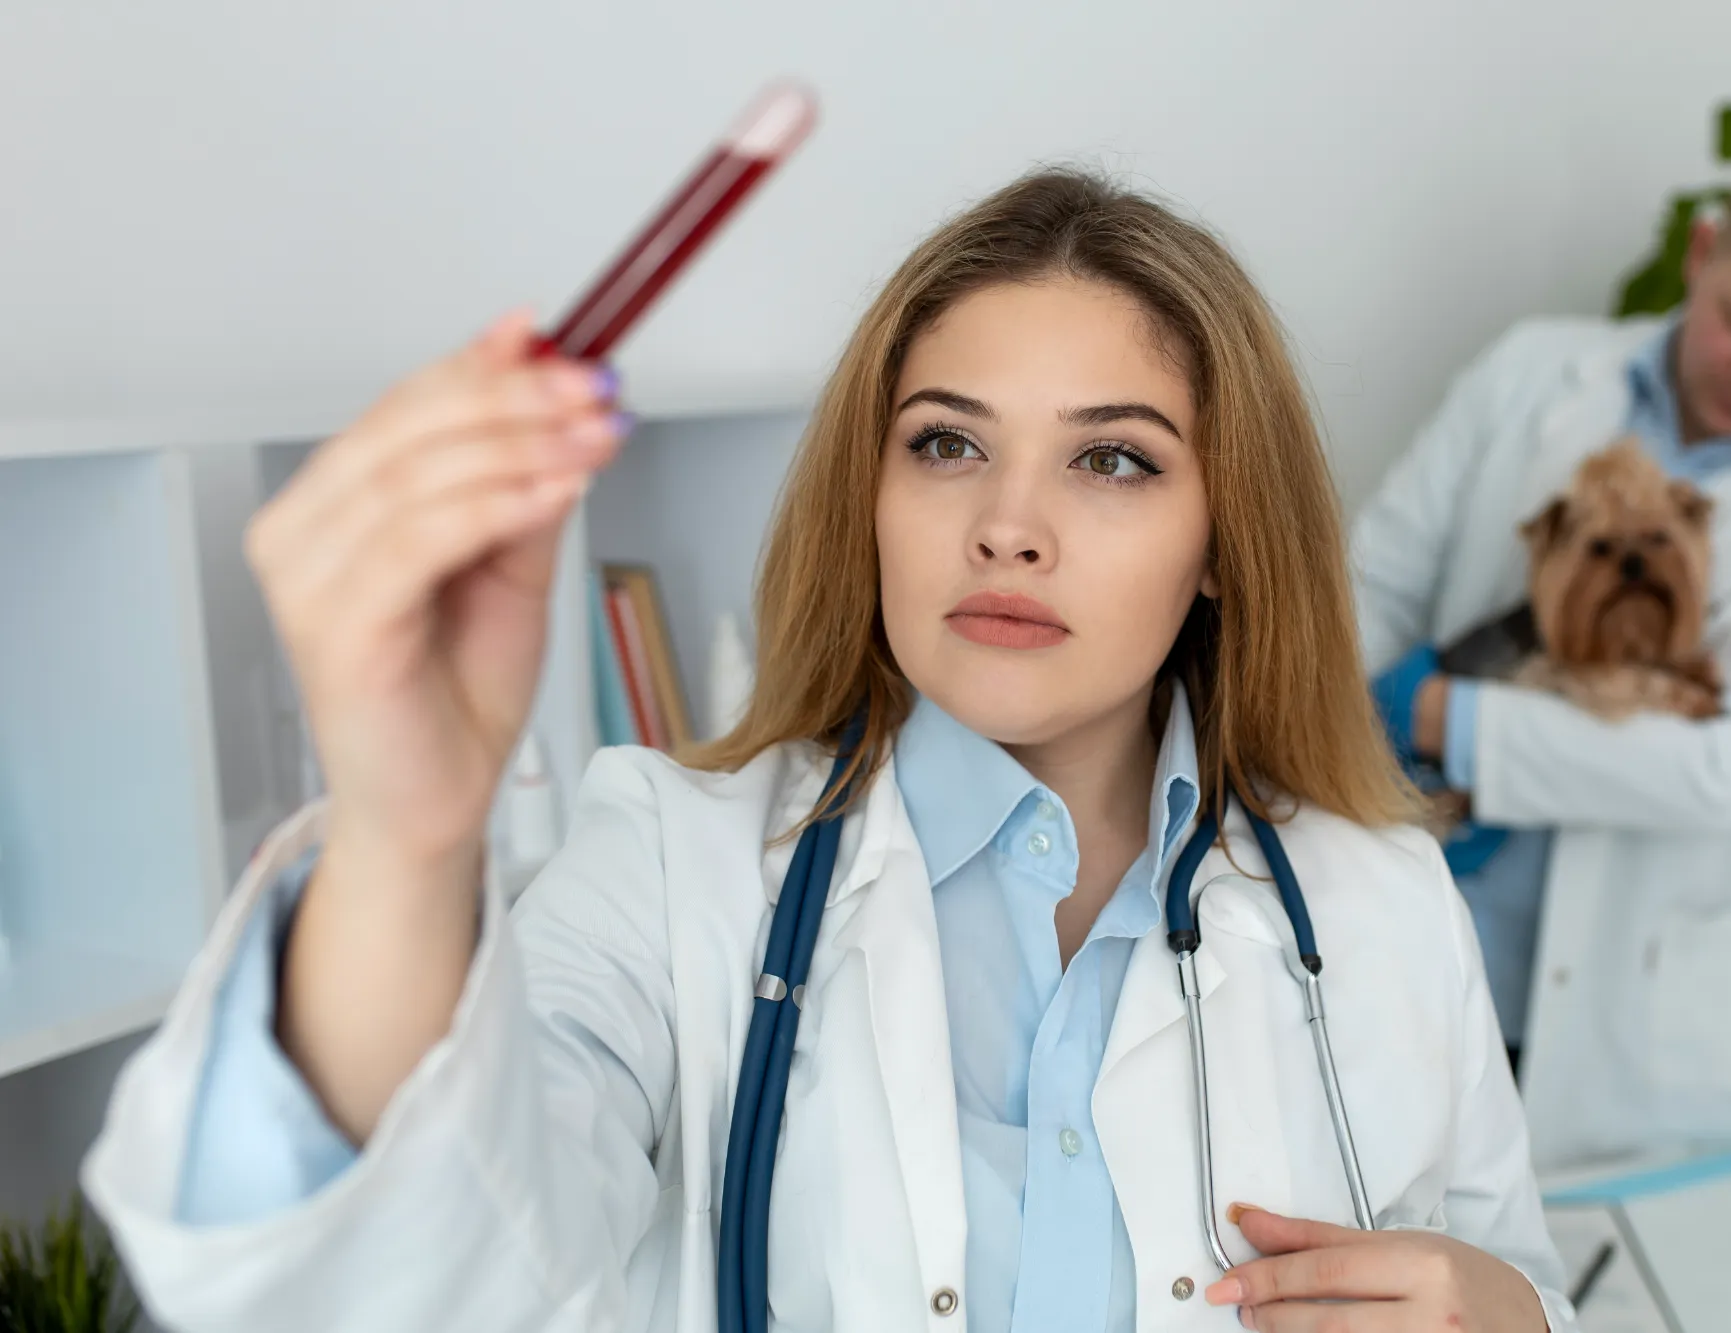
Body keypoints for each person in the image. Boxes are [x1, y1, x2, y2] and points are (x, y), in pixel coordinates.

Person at [82, 171, 1574, 1332]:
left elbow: (1507, 1270)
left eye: (1112, 458)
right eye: (945, 442)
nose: (1007, 520)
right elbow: (416, 1260)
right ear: (869, 498)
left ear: (1224, 546)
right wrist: (405, 838)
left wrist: (1515, 1311)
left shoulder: (1375, 898)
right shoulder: (674, 861)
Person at [1356, 130, 1731, 1171]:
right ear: (1702, 250)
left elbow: (1717, 769)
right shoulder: (1530, 372)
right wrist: (1339, 709)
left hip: (1619, 1025)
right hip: (1396, 955)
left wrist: (1426, 715)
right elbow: (1366, 588)